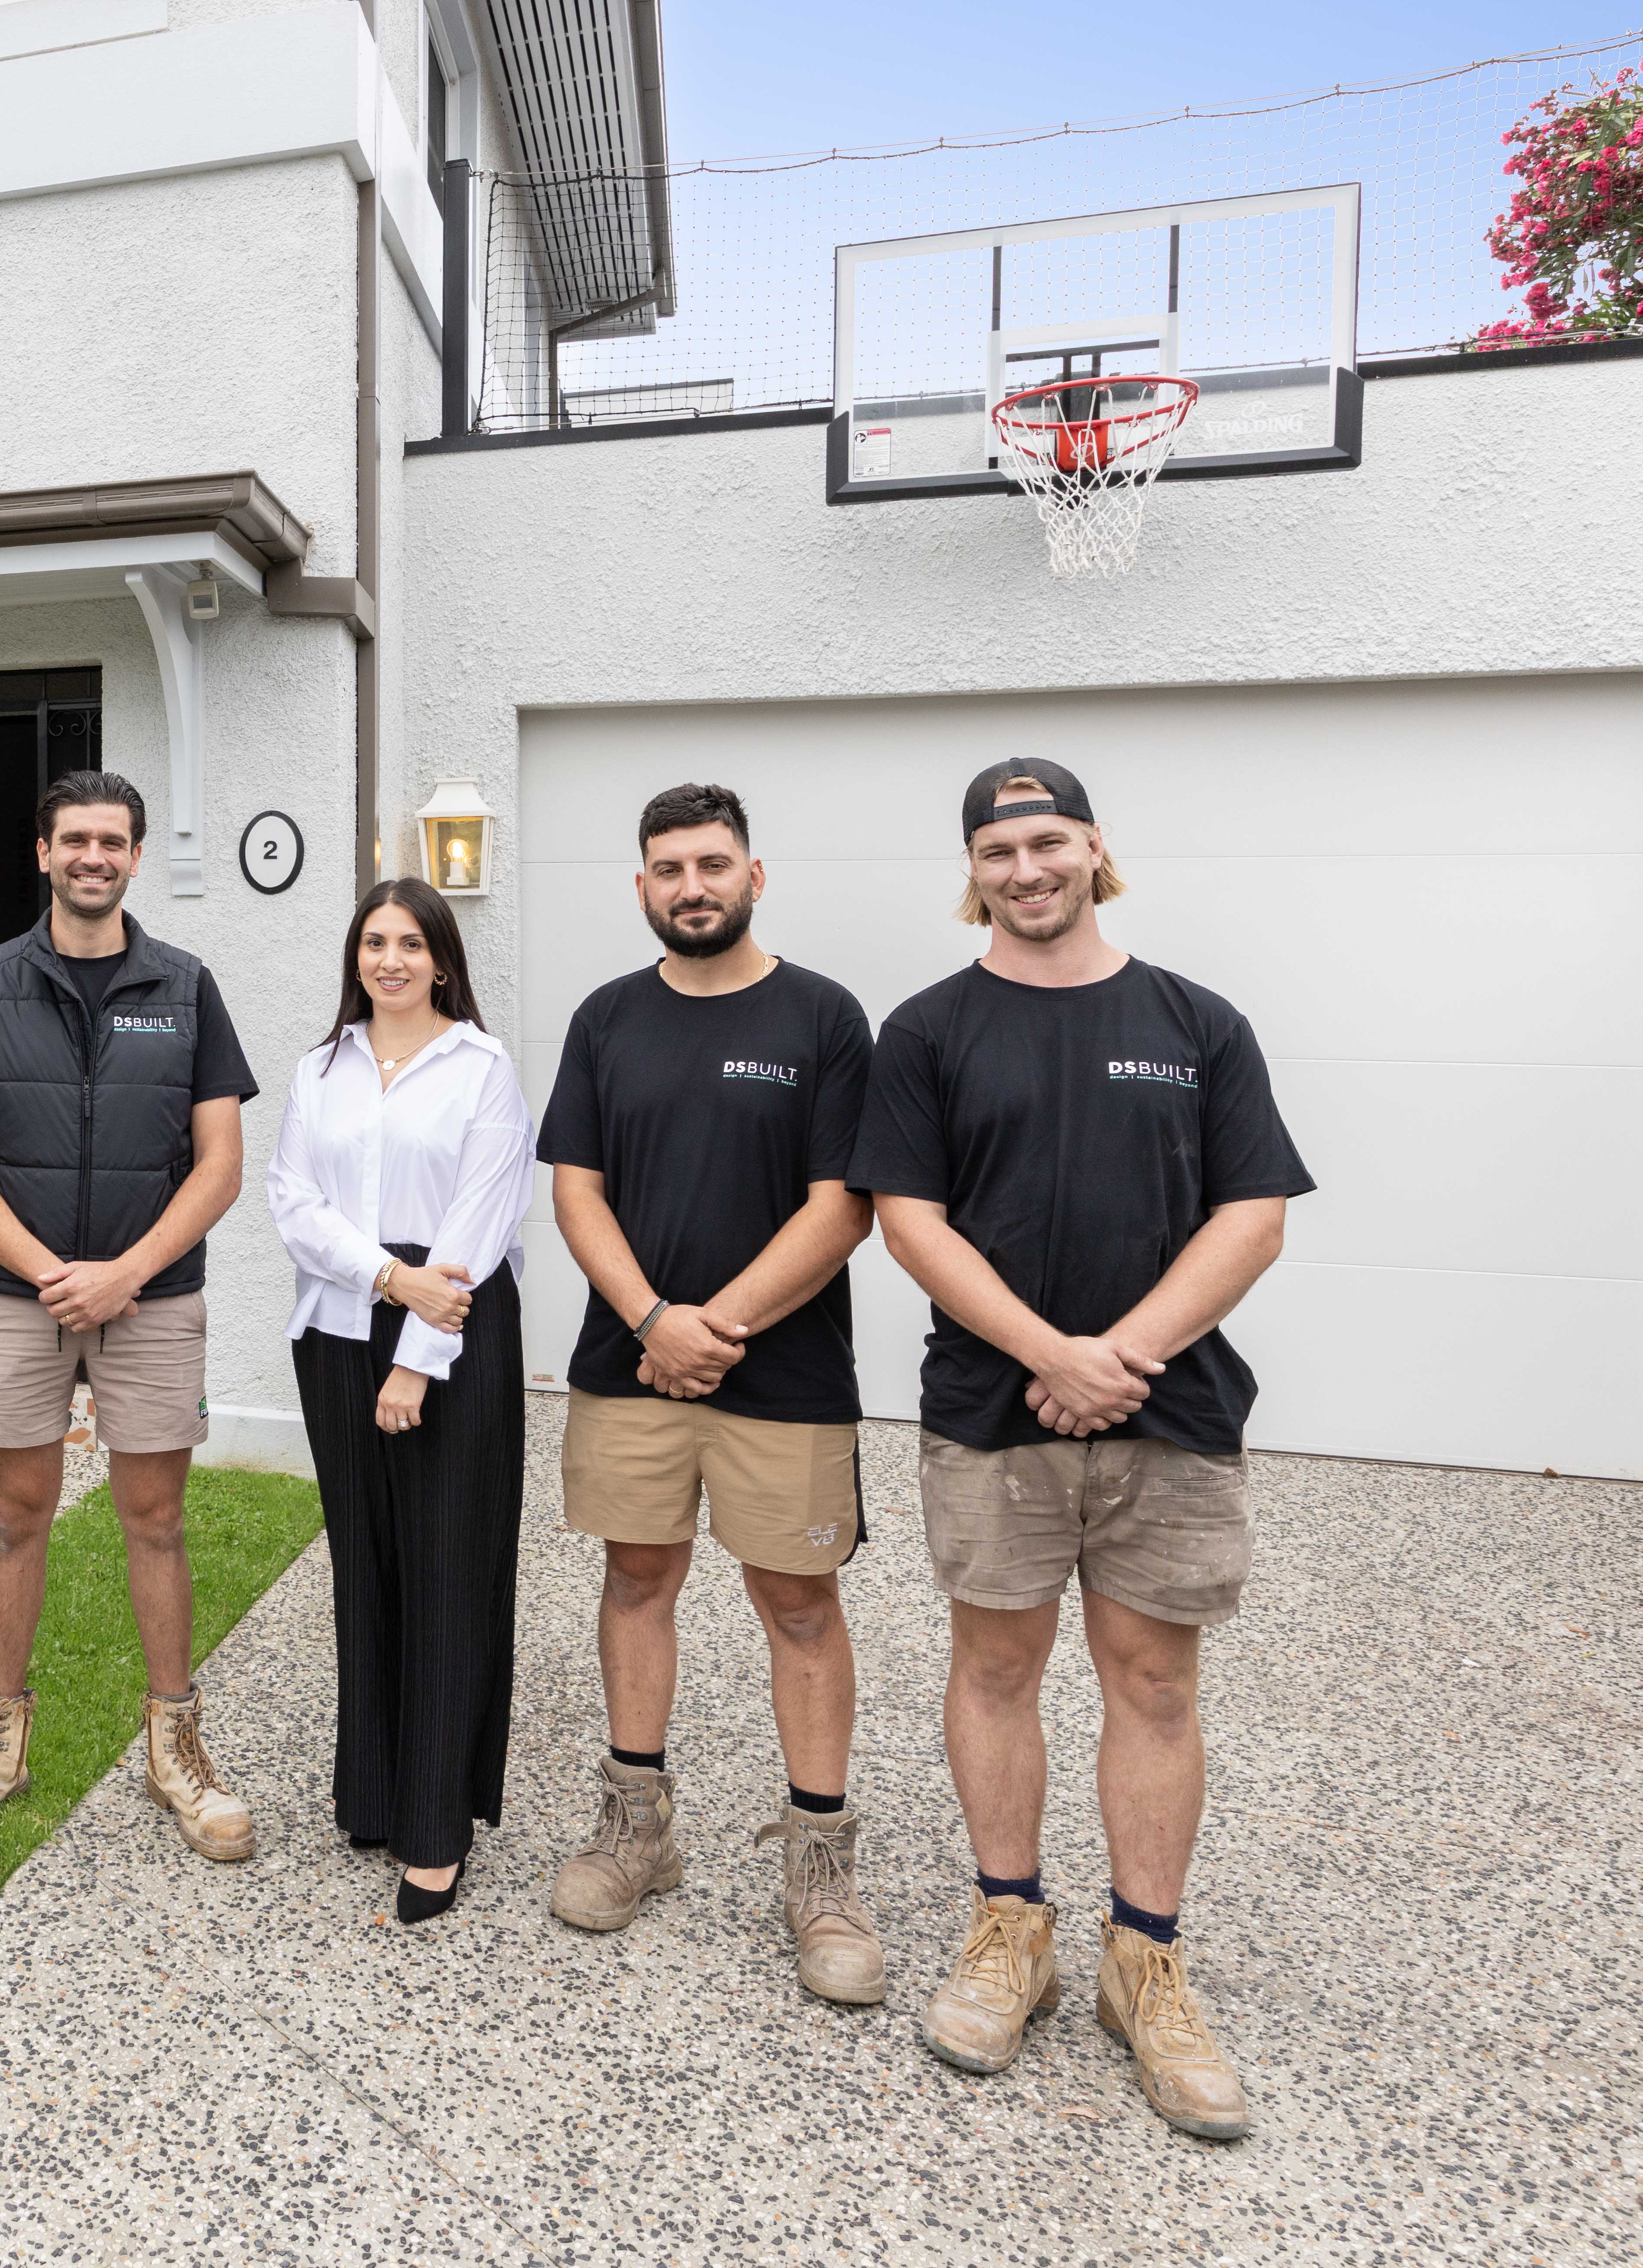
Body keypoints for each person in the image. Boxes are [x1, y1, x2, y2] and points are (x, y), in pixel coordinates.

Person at [853, 757, 1312, 2142]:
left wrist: (1121, 1359)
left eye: (1048, 842)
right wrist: (1050, 1357)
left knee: (1154, 1681)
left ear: (1095, 850)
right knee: (995, 1664)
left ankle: (1146, 1965)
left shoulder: (1196, 1023)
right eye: (1000, 850)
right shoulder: (929, 1031)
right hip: (994, 1419)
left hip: (1168, 1418)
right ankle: (1013, 1936)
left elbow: (1253, 1217)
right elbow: (909, 1221)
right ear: (974, 870)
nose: (1026, 869)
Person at [536, 783, 885, 2007]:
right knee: (637, 1577)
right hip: (628, 1362)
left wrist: (716, 1327)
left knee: (799, 1603)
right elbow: (577, 1192)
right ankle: (641, 1829)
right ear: (642, 886)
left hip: (779, 1375)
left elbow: (844, 1205)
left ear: (754, 875)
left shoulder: (824, 1017)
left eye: (713, 864)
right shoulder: (607, 1019)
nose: (693, 886)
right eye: (669, 868)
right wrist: (652, 1322)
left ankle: (822, 1871)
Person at [0, 769, 262, 1860]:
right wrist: (53, 1271)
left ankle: (176, 1750)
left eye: (112, 841)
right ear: (44, 853)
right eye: (75, 840)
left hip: (151, 1297)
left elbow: (220, 1166)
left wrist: (124, 1272)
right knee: (18, 1515)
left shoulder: (188, 986)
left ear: (137, 858)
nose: (93, 857)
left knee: (154, 1517)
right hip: (17, 1297)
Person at [266, 879, 535, 1923]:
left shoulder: (483, 1066)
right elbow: (292, 1199)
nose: (391, 959)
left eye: (410, 942)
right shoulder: (318, 1066)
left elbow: (480, 1214)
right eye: (375, 941)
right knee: (365, 1567)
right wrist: (385, 1275)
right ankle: (372, 1792)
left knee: (448, 1569)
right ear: (356, 956)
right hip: (339, 1325)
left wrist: (417, 1354)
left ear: (441, 959)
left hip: (455, 1333)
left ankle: (436, 1826)